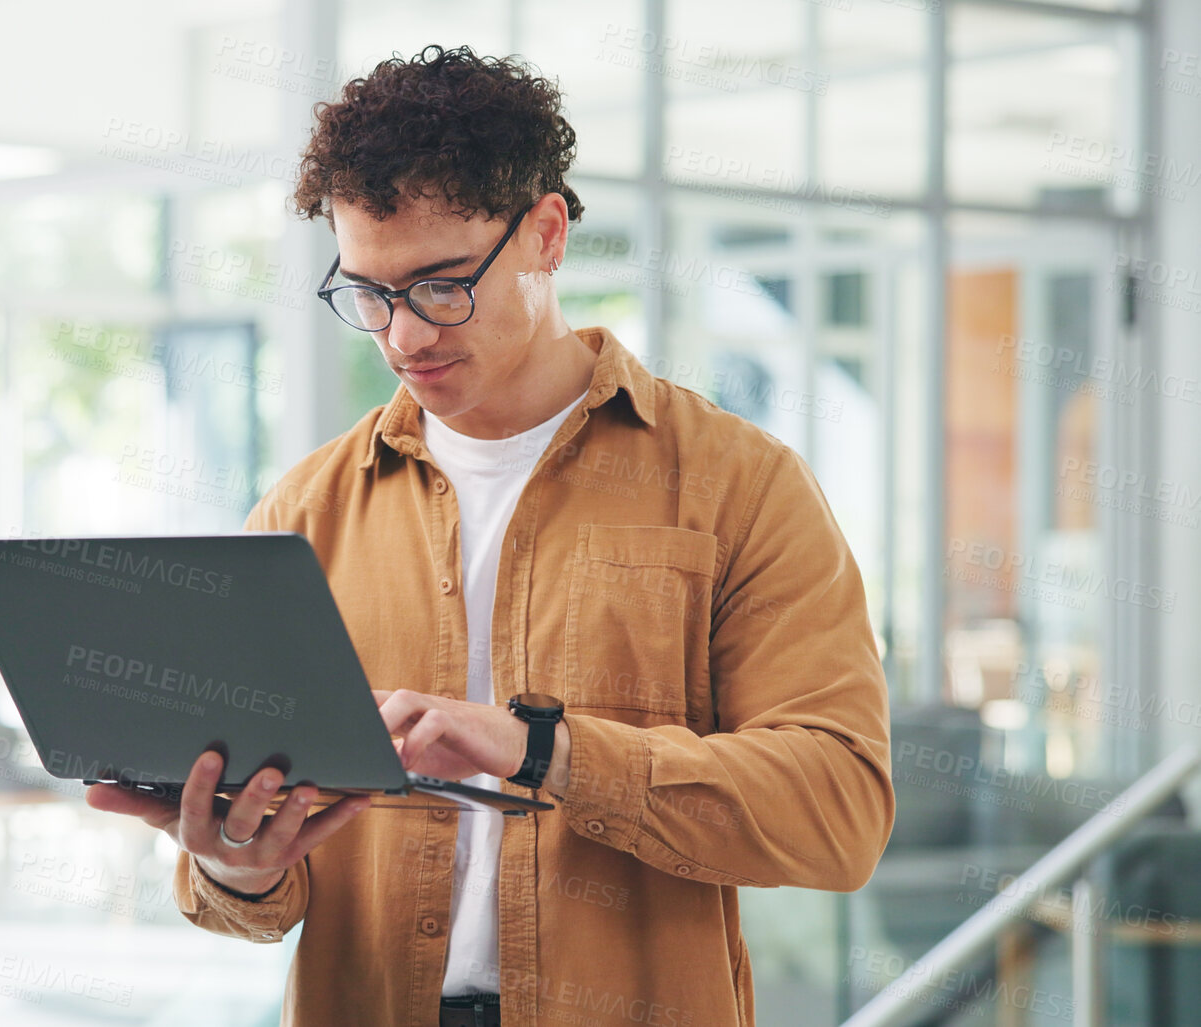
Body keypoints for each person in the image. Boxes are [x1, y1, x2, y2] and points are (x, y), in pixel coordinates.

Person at [86, 44, 893, 1027]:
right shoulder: (305, 512)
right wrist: (236, 864)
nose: (404, 336)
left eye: (440, 285)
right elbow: (255, 902)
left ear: (547, 234)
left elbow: (839, 812)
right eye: (369, 293)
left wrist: (539, 748)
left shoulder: (738, 485)